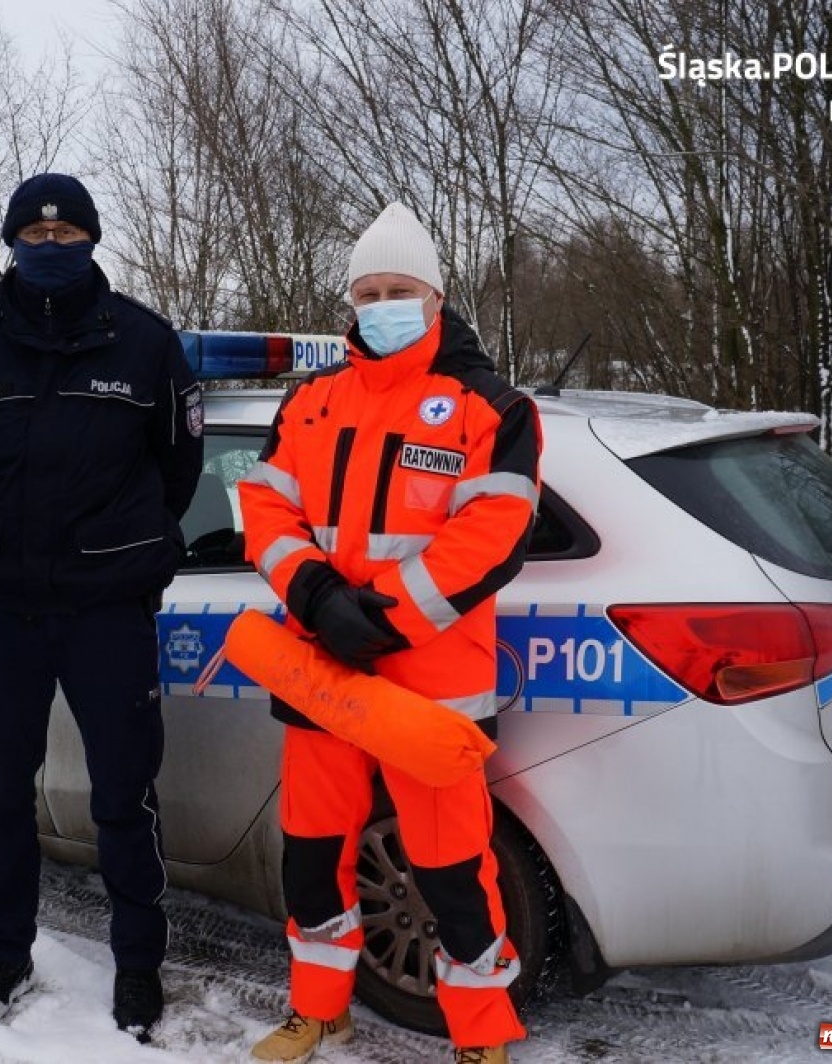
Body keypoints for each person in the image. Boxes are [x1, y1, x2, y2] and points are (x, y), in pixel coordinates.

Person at [238, 203, 541, 1064]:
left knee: (452, 873)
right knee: (311, 858)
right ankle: (318, 1010)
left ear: (435, 297)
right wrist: (317, 593)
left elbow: (494, 534)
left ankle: (481, 1035)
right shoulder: (313, 399)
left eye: (398, 289)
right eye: (367, 291)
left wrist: (380, 619)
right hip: (322, 673)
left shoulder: (489, 406)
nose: (381, 303)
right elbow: (265, 506)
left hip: (432, 682)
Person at [0, 173, 204, 1041]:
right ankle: (3, 954)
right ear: (12, 244)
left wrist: (128, 553)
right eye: (35, 238)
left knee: (123, 795)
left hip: (105, 612)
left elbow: (178, 471)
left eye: (67, 236)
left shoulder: (147, 344)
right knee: (1, 793)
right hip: (3, 610)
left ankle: (137, 966)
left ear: (92, 241)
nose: (51, 249)